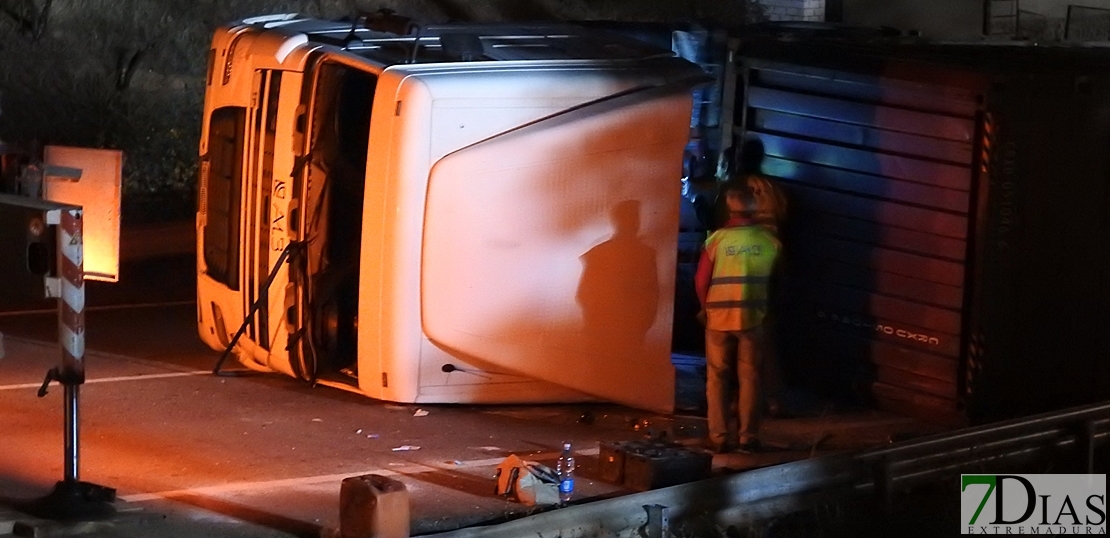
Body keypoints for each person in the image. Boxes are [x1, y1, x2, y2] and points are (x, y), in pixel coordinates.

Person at [695, 179, 782, 454]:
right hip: (754, 319)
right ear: (754, 209)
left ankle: (719, 438)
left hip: (718, 318)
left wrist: (704, 308)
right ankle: (748, 438)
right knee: (750, 378)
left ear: (729, 210)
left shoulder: (717, 239)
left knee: (717, 378)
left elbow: (700, 280)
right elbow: (778, 283)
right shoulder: (770, 242)